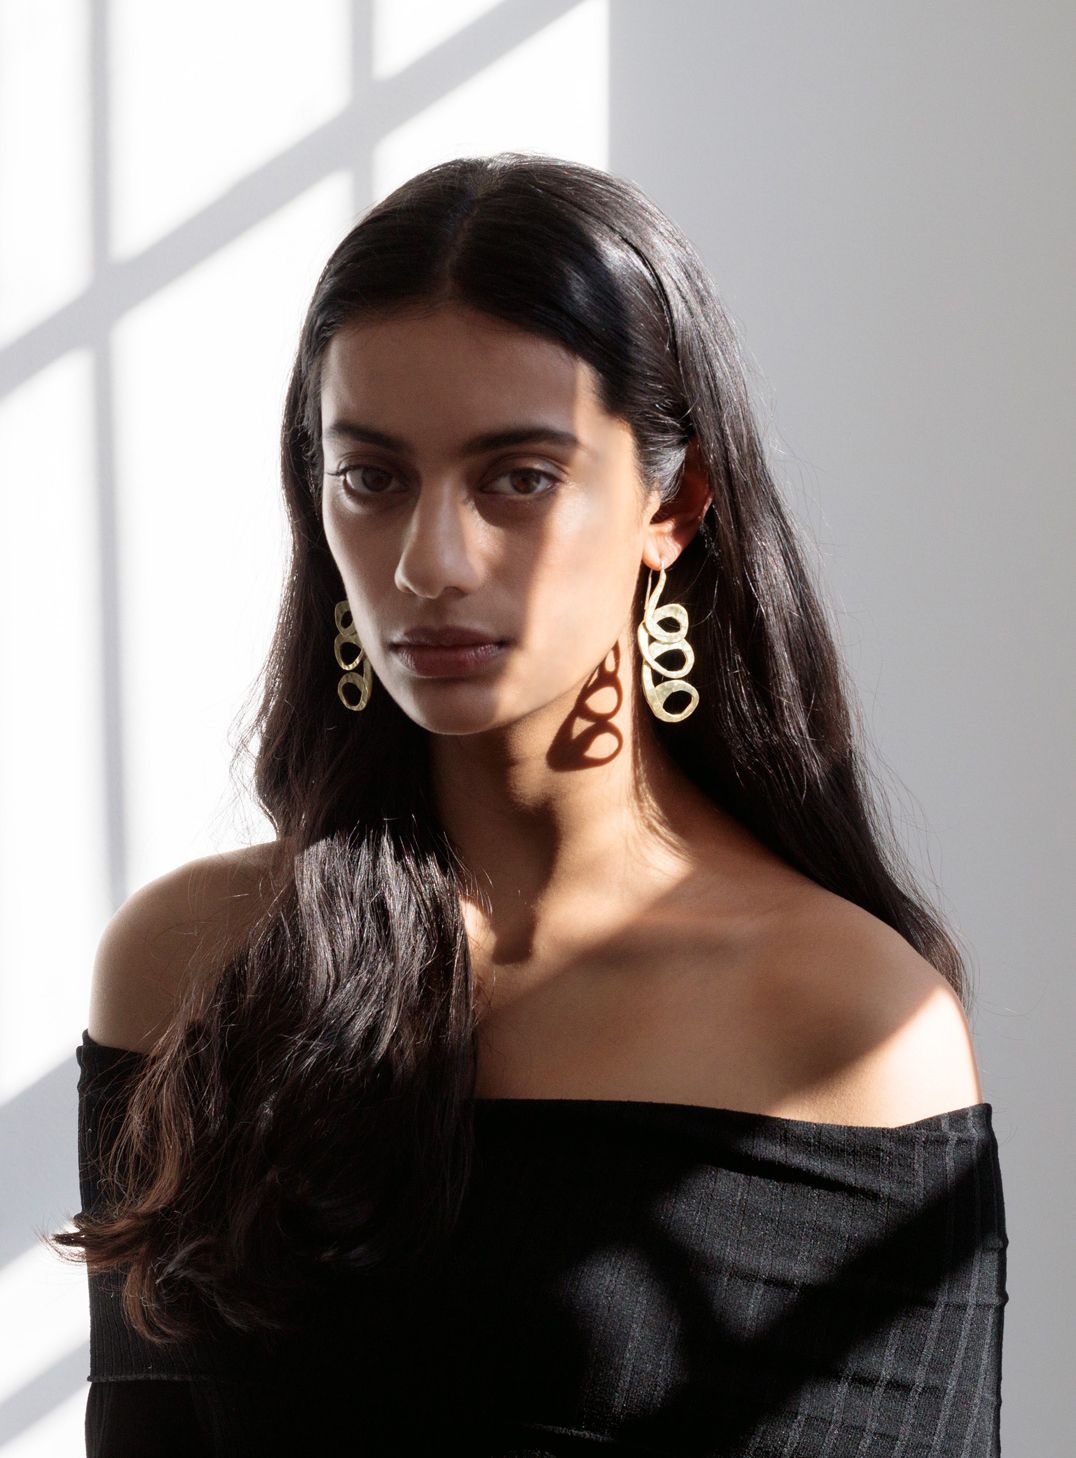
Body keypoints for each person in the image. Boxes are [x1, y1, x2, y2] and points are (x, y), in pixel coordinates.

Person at [48, 152, 1007, 1456]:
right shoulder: (188, 966)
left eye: (518, 478)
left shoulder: (851, 1020)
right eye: (372, 478)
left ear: (674, 503)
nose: (431, 561)